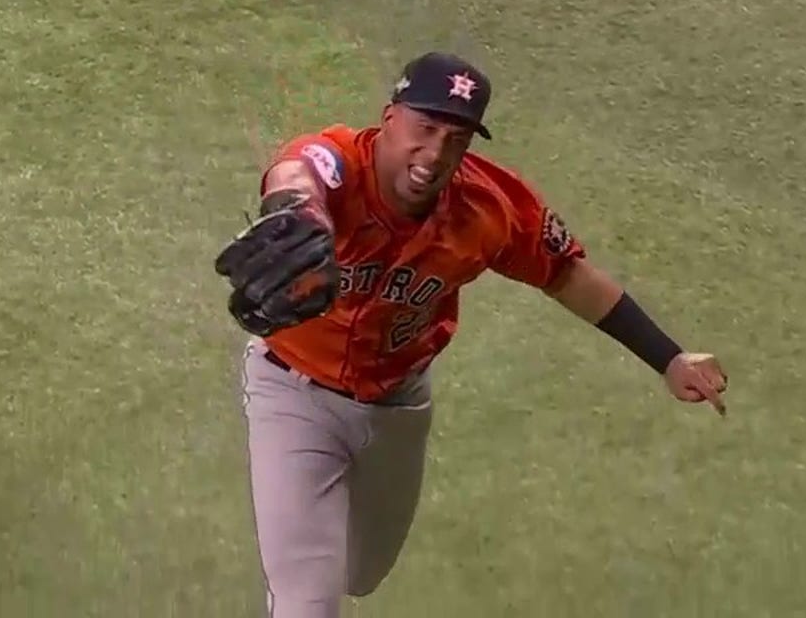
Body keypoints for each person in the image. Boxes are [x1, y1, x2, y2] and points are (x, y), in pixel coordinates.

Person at [223, 51, 728, 618]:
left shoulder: (489, 207)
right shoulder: (340, 162)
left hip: (397, 405)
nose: (435, 152)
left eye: (456, 138)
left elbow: (567, 275)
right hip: (294, 394)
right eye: (425, 128)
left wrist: (669, 359)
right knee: (306, 600)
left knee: (360, 573)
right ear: (390, 119)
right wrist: (300, 209)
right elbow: (298, 172)